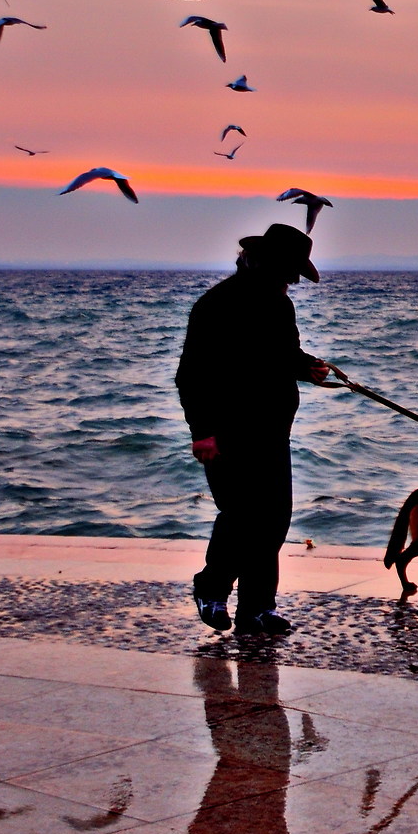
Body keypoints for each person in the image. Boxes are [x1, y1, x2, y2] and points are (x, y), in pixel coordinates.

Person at [176, 222, 333, 634]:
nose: (292, 281)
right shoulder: (215, 305)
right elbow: (190, 375)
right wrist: (202, 431)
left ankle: (258, 608)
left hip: (273, 429)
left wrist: (308, 368)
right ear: (261, 263)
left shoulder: (281, 307)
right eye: (288, 272)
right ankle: (210, 588)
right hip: (225, 433)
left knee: (274, 519)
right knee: (241, 515)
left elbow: (285, 355)